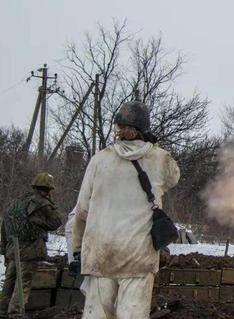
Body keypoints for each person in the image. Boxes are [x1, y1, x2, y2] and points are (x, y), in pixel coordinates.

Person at [71, 101, 180, 319]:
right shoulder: (160, 159)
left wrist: (76, 250)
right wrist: (153, 147)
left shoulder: (99, 160)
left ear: (118, 127)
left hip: (101, 254)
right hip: (137, 257)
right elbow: (173, 178)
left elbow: (82, 212)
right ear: (145, 128)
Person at [0, 173, 62, 317]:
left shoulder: (16, 202)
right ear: (48, 189)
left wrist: (4, 249)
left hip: (12, 249)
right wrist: (49, 206)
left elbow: (4, 226)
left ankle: (2, 310)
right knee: (23, 284)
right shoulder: (42, 203)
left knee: (9, 282)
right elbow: (56, 222)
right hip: (30, 251)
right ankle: (16, 313)